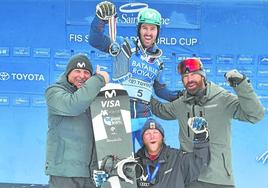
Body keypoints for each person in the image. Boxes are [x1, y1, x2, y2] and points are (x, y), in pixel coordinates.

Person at [150, 58, 265, 188]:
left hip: (218, 179)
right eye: (185, 76)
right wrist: (140, 90)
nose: (189, 79)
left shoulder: (222, 99)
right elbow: (160, 110)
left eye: (193, 74)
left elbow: (255, 115)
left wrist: (241, 84)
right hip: (189, 178)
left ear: (203, 75)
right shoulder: (181, 104)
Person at [89, 1, 179, 148]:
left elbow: (160, 90)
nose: (148, 33)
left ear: (158, 32)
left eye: (152, 29)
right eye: (144, 28)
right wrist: (100, 19)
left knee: (153, 159)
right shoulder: (123, 46)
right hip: (119, 114)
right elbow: (95, 39)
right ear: (138, 29)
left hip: (144, 118)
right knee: (120, 163)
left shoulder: (158, 62)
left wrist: (180, 95)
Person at [45, 54, 109, 188]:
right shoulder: (54, 92)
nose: (82, 75)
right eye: (77, 71)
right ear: (68, 73)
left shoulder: (93, 96)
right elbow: (74, 105)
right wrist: (98, 79)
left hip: (90, 174)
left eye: (86, 72)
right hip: (64, 173)